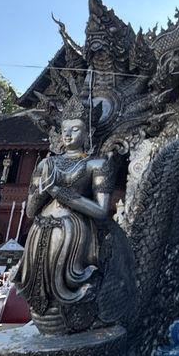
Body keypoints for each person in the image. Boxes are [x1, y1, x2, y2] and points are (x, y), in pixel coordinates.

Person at [15, 96, 115, 334]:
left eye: (76, 129)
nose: (68, 135)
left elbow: (101, 212)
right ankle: (45, 324)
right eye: (64, 129)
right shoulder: (45, 165)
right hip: (41, 231)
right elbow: (30, 210)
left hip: (74, 231)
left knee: (70, 284)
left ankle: (70, 323)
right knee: (39, 286)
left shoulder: (97, 164)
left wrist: (60, 192)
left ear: (88, 131)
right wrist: (41, 191)